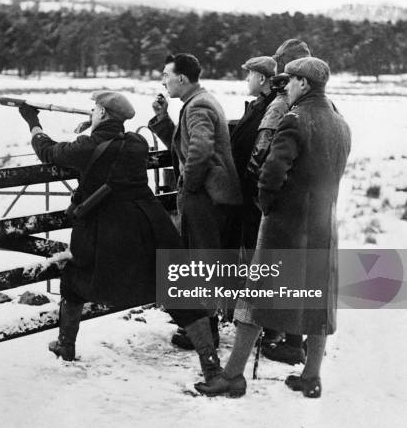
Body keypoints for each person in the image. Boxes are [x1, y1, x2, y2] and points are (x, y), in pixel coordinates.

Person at [195, 57, 351, 398]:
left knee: (253, 301)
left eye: (292, 81)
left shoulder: (295, 120)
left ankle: (232, 376)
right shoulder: (340, 123)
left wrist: (266, 206)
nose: (287, 87)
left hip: (285, 227)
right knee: (316, 301)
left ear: (304, 85)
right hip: (323, 227)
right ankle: (311, 377)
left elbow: (271, 172)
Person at [18, 91, 181, 361]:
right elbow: (110, 147)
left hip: (102, 231)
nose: (92, 111)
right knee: (165, 278)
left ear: (103, 113)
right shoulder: (137, 142)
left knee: (73, 279)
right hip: (139, 228)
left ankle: (65, 344)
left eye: (95, 109)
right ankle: (208, 355)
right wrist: (93, 129)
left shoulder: (87, 146)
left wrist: (32, 122)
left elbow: (48, 151)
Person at [148, 53, 242, 383]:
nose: (163, 81)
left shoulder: (199, 106)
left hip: (205, 199)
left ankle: (208, 332)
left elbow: (199, 150)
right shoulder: (198, 101)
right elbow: (187, 144)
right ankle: (207, 326)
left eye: (167, 75)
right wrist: (162, 118)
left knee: (202, 261)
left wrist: (187, 184)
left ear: (183, 79)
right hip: (209, 196)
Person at [245, 39, 312, 365]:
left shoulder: (280, 104)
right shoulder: (318, 106)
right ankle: (291, 338)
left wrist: (261, 195)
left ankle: (275, 335)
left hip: (279, 202)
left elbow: (261, 153)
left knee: (275, 270)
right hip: (308, 203)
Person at [228, 55, 277, 253]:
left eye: (250, 74)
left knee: (253, 245)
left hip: (253, 193)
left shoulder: (270, 108)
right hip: (246, 190)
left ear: (262, 79)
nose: (247, 79)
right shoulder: (260, 105)